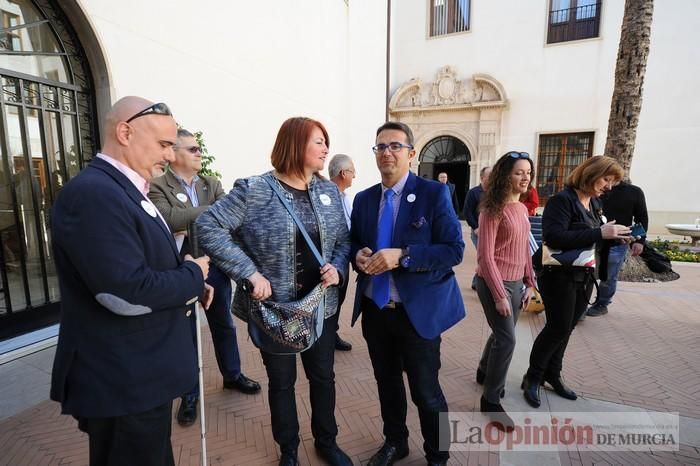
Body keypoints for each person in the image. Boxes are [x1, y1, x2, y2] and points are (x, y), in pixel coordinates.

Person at [49, 97, 213, 466]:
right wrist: (192, 275)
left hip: (140, 378)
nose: (170, 156)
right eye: (164, 144)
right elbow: (124, 293)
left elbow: (142, 265)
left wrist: (188, 280)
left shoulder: (124, 189)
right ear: (125, 132)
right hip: (123, 383)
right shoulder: (94, 194)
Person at [196, 117, 351, 466]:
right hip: (275, 311)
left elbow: (343, 240)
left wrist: (338, 268)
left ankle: (327, 442)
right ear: (295, 144)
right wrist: (248, 272)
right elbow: (209, 226)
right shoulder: (255, 189)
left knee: (323, 377)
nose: (326, 148)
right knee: (282, 384)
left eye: (327, 141)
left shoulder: (327, 191)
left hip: (320, 307)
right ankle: (289, 451)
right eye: (318, 141)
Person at [350, 121, 465, 466]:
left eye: (395, 146)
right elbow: (354, 242)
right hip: (376, 309)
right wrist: (357, 255)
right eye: (380, 147)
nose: (387, 152)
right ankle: (395, 442)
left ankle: (438, 455)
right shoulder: (365, 199)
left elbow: (453, 250)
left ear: (411, 154)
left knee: (426, 392)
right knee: (387, 384)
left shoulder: (433, 194)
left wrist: (402, 255)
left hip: (416, 314)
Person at [149, 128, 261, 427]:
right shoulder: (158, 185)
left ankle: (233, 375)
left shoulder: (212, 183)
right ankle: (188, 394)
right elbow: (167, 219)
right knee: (186, 333)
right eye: (193, 149)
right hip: (180, 269)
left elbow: (231, 219)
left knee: (223, 324)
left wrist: (189, 217)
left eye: (199, 149)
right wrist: (211, 213)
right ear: (174, 153)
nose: (200, 153)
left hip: (215, 267)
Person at [522, 156, 631, 408]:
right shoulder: (563, 200)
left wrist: (614, 236)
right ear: (591, 173)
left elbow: (589, 238)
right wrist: (599, 233)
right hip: (558, 276)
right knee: (557, 328)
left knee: (567, 327)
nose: (609, 186)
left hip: (584, 276)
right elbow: (554, 237)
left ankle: (553, 374)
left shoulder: (593, 203)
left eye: (613, 182)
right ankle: (533, 377)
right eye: (607, 179)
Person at [475, 151, 535, 431]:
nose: (525, 178)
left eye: (528, 172)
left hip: (516, 283)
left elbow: (524, 246)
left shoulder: (522, 209)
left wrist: (530, 281)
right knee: (508, 339)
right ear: (504, 176)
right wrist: (499, 294)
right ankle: (490, 400)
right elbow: (485, 258)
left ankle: (484, 370)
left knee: (502, 334)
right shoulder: (491, 210)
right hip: (493, 281)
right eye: (518, 173)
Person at [585, 180, 648, 317]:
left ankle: (602, 303)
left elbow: (641, 217)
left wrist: (640, 241)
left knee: (609, 277)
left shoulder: (634, 192)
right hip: (593, 240)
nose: (608, 181)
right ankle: (580, 306)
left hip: (618, 243)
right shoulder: (596, 189)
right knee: (587, 275)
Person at [328, 153, 355, 352]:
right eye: (353, 172)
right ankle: (326, 336)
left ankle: (331, 333)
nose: (355, 176)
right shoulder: (326, 197)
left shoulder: (345, 197)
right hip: (331, 262)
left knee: (339, 299)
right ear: (343, 173)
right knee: (331, 300)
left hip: (343, 259)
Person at [463, 166, 492, 290]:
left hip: (493, 232)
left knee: (489, 258)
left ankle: (478, 281)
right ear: (482, 178)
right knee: (484, 257)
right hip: (478, 232)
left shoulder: (496, 193)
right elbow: (467, 212)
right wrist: (475, 227)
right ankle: (479, 282)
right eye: (489, 176)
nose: (492, 179)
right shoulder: (473, 192)